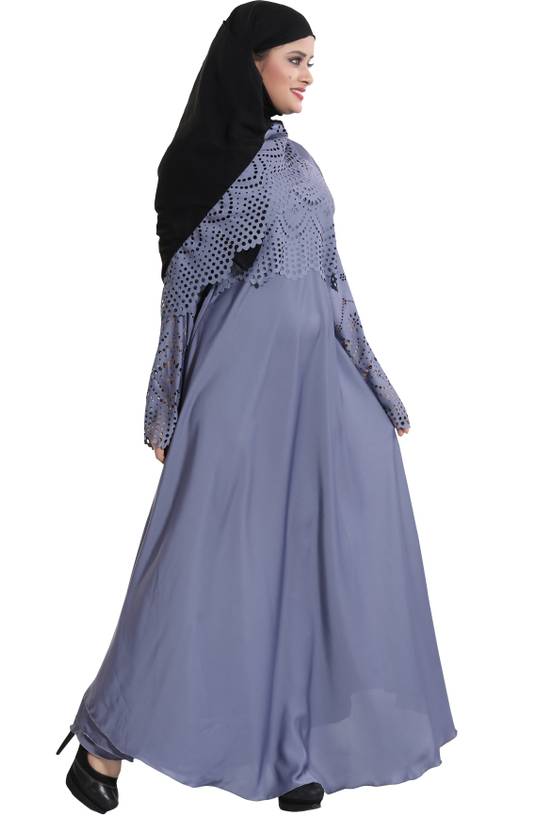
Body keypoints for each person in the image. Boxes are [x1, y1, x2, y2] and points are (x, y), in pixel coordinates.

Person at [56, 0, 457, 813]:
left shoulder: (301, 165)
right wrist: (164, 405)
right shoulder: (200, 165)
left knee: (316, 555)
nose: (309, 77)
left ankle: (293, 748)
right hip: (237, 391)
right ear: (250, 64)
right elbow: (180, 299)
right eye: (295, 60)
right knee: (198, 563)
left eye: (312, 61)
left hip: (321, 391)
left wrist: (375, 382)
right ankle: (101, 742)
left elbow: (335, 282)